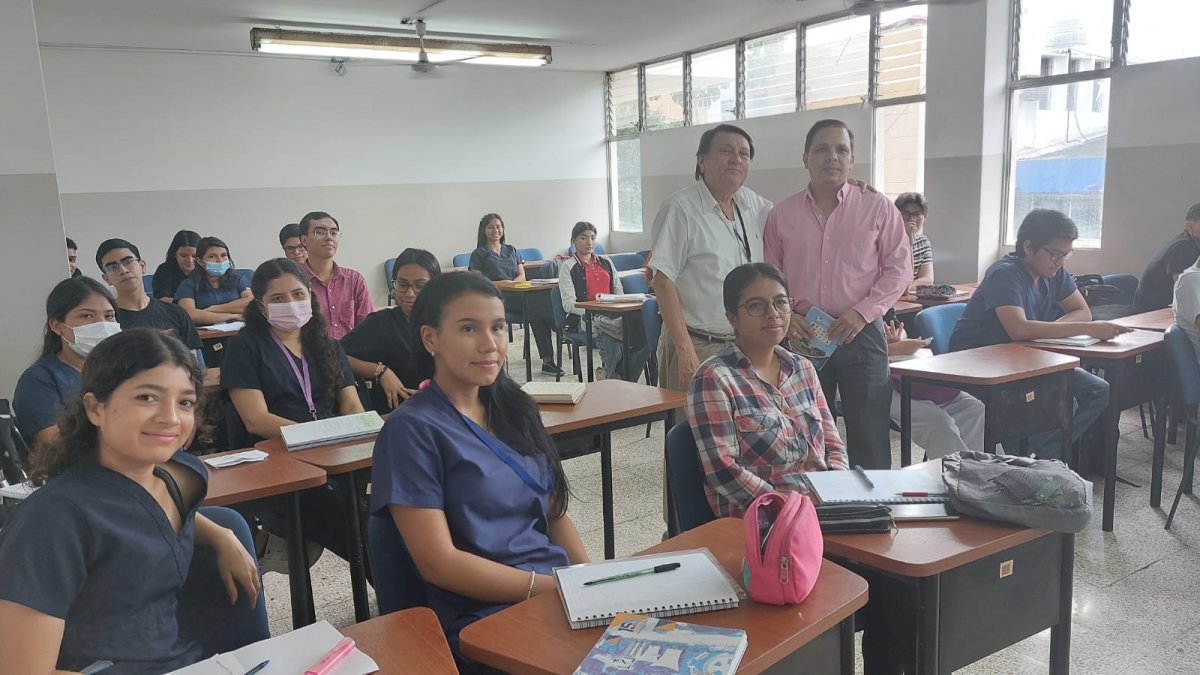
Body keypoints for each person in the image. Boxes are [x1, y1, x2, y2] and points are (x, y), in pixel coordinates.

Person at [0, 328, 264, 674]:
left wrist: (220, 534)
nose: (170, 417)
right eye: (147, 398)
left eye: (184, 402)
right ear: (95, 408)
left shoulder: (183, 477)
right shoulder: (53, 520)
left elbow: (148, 520)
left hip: (185, 663)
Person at [370, 272, 588, 671]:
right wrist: (553, 588)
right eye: (469, 328)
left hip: (555, 596)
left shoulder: (515, 409)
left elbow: (555, 515)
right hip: (484, 619)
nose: (490, 344)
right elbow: (439, 562)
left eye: (498, 327)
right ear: (431, 339)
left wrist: (587, 583)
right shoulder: (411, 430)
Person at [764, 119, 911, 470]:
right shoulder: (781, 214)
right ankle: (814, 503)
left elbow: (899, 269)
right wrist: (788, 318)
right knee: (805, 432)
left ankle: (871, 502)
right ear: (805, 158)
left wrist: (863, 311)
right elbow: (770, 276)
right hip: (803, 334)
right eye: (822, 149)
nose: (832, 157)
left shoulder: (878, 208)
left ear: (852, 159)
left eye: (841, 150)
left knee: (870, 433)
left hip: (861, 330)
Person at [949, 209, 1128, 457]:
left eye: (1065, 255)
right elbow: (1019, 329)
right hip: (980, 365)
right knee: (1056, 401)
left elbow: (1082, 311)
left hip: (1024, 360)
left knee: (1097, 391)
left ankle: (1032, 457)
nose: (1059, 262)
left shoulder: (1053, 273)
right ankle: (1017, 457)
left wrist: (1050, 332)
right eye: (1054, 254)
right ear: (1029, 246)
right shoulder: (1005, 273)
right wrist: (1086, 329)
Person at [221, 258, 363, 568]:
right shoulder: (244, 347)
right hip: (277, 461)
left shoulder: (327, 345)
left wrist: (355, 438)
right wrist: (316, 436)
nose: (290, 304)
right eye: (278, 298)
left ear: (309, 295)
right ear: (261, 306)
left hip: (332, 454)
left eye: (298, 294)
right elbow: (256, 419)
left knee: (381, 506)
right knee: (354, 526)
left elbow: (351, 405)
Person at [687, 263, 847, 518]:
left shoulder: (803, 368)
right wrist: (790, 506)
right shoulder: (714, 379)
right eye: (756, 306)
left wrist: (836, 489)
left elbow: (832, 443)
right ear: (732, 317)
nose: (773, 314)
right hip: (763, 518)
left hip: (823, 508)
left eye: (781, 302)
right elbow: (722, 469)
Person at [648, 124, 773, 392]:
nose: (736, 159)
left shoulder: (753, 206)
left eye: (744, 154)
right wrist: (685, 350)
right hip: (697, 344)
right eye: (726, 151)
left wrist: (847, 188)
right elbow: (662, 281)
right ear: (701, 161)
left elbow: (795, 216)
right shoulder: (680, 208)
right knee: (692, 419)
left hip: (744, 346)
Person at [14, 277, 120, 448]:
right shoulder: (39, 380)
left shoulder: (125, 371)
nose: (102, 324)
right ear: (57, 326)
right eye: (87, 315)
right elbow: (54, 444)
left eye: (109, 316)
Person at [342, 248, 439, 414]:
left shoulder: (450, 323)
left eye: (420, 286)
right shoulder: (382, 323)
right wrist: (380, 371)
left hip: (446, 412)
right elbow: (335, 355)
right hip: (398, 415)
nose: (410, 293)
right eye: (402, 284)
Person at [468, 213, 563, 376]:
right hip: (496, 299)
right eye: (490, 227)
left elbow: (522, 275)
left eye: (498, 226)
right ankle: (558, 328)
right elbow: (477, 282)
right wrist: (503, 284)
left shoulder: (511, 250)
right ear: (484, 231)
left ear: (503, 229)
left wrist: (513, 284)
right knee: (539, 309)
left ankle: (548, 360)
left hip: (519, 294)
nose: (495, 230)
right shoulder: (479, 253)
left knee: (537, 308)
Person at [557, 221, 651, 382]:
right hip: (585, 318)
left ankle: (617, 378)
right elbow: (568, 304)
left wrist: (617, 305)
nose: (589, 242)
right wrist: (593, 310)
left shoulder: (606, 262)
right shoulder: (568, 266)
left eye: (593, 238)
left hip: (613, 315)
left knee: (645, 339)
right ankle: (616, 381)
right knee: (612, 343)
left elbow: (618, 291)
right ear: (574, 241)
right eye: (583, 238)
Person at [883, 320, 984, 457]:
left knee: (975, 408)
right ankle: (956, 469)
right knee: (939, 422)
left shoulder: (882, 307)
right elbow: (855, 349)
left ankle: (986, 467)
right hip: (877, 384)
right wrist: (892, 349)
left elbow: (899, 329)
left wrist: (897, 338)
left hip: (906, 373)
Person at [96, 238, 202, 355]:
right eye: (112, 267)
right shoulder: (107, 322)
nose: (123, 270)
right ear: (106, 278)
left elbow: (193, 361)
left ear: (142, 266)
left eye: (128, 261)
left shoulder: (176, 312)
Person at [298, 211, 374, 340]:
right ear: (304, 240)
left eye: (334, 233)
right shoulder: (295, 282)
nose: (329, 237)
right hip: (310, 351)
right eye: (320, 232)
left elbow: (368, 327)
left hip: (351, 351)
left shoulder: (354, 280)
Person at [1133, 202, 1200, 312]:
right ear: (1190, 226)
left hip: (1173, 309)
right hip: (1151, 312)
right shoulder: (1182, 247)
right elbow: (1185, 290)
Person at [174, 236, 253, 326]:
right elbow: (190, 315)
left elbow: (250, 303)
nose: (219, 260)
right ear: (200, 261)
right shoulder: (188, 284)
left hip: (237, 330)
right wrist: (231, 316)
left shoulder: (238, 279)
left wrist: (213, 309)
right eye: (212, 256)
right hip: (205, 333)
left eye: (223, 255)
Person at [895, 192, 935, 291]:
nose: (912, 219)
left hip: (908, 296)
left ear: (925, 217)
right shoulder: (887, 240)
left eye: (917, 214)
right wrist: (907, 243)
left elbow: (928, 279)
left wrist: (906, 287)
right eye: (906, 214)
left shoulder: (923, 242)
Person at [153, 230, 201, 303]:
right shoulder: (164, 270)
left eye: (194, 256)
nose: (190, 260)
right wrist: (189, 305)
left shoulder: (207, 270)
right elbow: (162, 299)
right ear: (175, 254)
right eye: (184, 255)